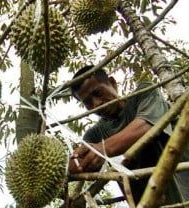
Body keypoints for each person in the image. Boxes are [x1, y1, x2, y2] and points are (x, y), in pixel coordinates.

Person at [68, 65, 189, 205]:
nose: (96, 104)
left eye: (98, 93)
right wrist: (76, 164)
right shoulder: (95, 135)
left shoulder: (144, 93)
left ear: (112, 83)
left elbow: (146, 125)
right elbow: (80, 164)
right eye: (88, 103)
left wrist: (102, 149)